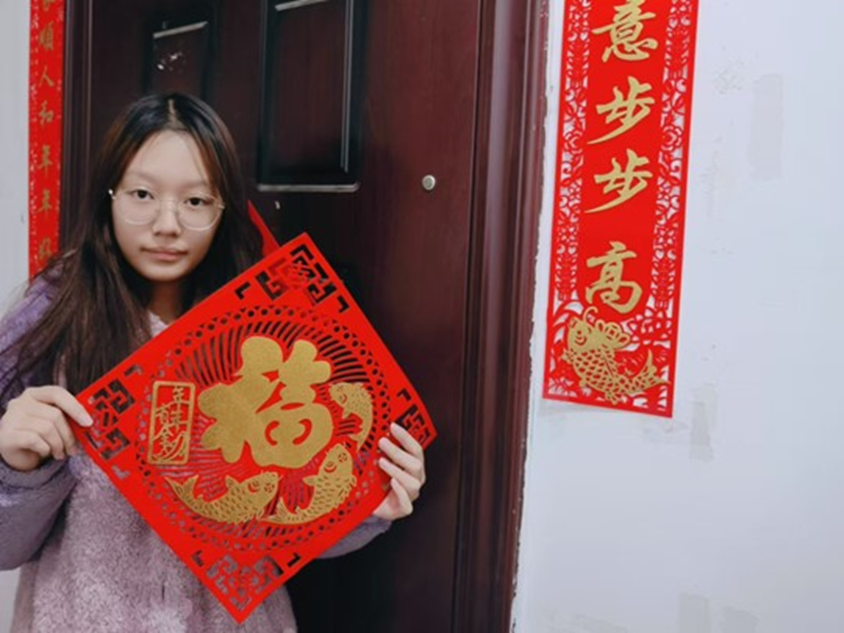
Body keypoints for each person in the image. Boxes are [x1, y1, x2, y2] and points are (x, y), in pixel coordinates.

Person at [0, 93, 426, 632]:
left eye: (196, 201)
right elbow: (6, 547)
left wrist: (364, 506)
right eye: (142, 194)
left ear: (223, 208)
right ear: (108, 196)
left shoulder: (272, 330)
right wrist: (17, 466)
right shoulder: (54, 318)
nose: (167, 224)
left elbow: (289, 522)